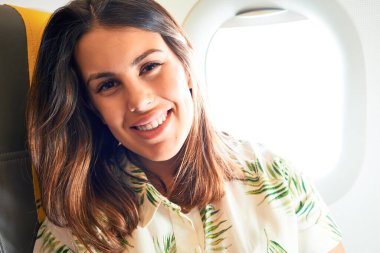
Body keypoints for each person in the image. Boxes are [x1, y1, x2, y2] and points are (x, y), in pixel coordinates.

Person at [27, 0, 345, 252]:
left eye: (150, 66)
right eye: (108, 85)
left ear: (186, 65)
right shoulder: (76, 229)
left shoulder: (277, 178)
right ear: (93, 108)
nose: (139, 101)